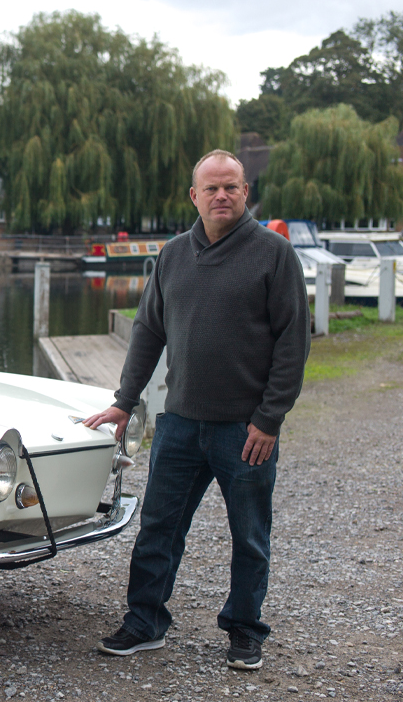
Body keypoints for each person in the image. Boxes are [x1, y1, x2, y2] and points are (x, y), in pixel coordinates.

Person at [85, 150, 309, 671]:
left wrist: (269, 419)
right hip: (180, 423)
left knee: (250, 535)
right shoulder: (173, 255)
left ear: (245, 191)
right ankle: (145, 623)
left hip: (245, 429)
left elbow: (292, 345)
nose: (221, 196)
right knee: (158, 528)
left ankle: (245, 630)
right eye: (211, 189)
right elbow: (148, 332)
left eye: (231, 187)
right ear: (194, 195)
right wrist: (124, 401)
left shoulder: (274, 254)